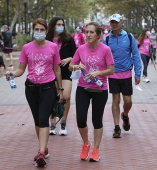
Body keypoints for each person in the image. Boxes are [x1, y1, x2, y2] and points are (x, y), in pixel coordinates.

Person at [5, 18, 63, 167]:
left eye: (41, 30)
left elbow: (57, 69)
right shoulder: (26, 48)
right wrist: (12, 74)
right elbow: (21, 69)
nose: (39, 33)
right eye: (36, 30)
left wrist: (60, 90)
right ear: (33, 31)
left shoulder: (53, 47)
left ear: (46, 31)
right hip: (31, 88)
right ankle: (43, 148)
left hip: (48, 87)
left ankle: (41, 152)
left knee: (43, 119)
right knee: (37, 121)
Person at [69, 22, 114, 162]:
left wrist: (98, 73)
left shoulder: (105, 50)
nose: (88, 35)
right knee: (81, 119)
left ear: (98, 35)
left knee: (96, 120)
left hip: (100, 89)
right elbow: (70, 67)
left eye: (91, 32)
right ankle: (86, 144)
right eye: (86, 32)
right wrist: (76, 66)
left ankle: (96, 150)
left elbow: (112, 69)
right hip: (83, 88)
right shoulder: (81, 49)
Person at [102, 13, 141, 138]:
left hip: (126, 74)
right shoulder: (107, 39)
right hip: (113, 74)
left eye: (116, 22)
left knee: (127, 101)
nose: (114, 24)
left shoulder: (129, 37)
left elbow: (135, 55)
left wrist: (138, 73)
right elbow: (102, 57)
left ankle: (125, 114)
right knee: (115, 100)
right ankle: (117, 127)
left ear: (121, 23)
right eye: (112, 22)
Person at [46, 17, 77, 136]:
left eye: (62, 24)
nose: (61, 26)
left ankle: (63, 122)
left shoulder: (68, 39)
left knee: (66, 96)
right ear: (53, 25)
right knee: (52, 96)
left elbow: (76, 54)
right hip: (50, 72)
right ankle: (52, 123)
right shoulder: (47, 39)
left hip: (66, 71)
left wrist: (69, 59)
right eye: (58, 24)